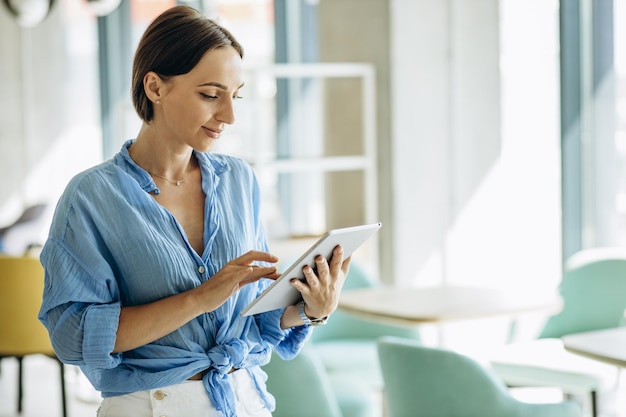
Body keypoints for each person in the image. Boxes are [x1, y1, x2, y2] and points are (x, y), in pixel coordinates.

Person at [38, 5, 350, 417]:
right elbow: (74, 335)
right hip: (151, 406)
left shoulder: (240, 180)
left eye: (235, 96)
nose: (230, 115)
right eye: (210, 94)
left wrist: (312, 310)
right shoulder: (92, 197)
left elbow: (253, 322)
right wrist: (200, 298)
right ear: (155, 87)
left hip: (245, 400)